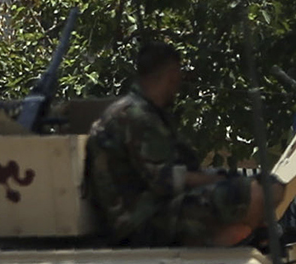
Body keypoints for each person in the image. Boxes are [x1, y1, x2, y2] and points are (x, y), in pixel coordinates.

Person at [82, 38, 278, 246]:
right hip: (142, 223)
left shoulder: (143, 113)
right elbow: (165, 181)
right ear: (171, 74)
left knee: (261, 189)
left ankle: (234, 243)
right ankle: (233, 246)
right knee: (262, 191)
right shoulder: (136, 116)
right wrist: (218, 181)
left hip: (145, 217)